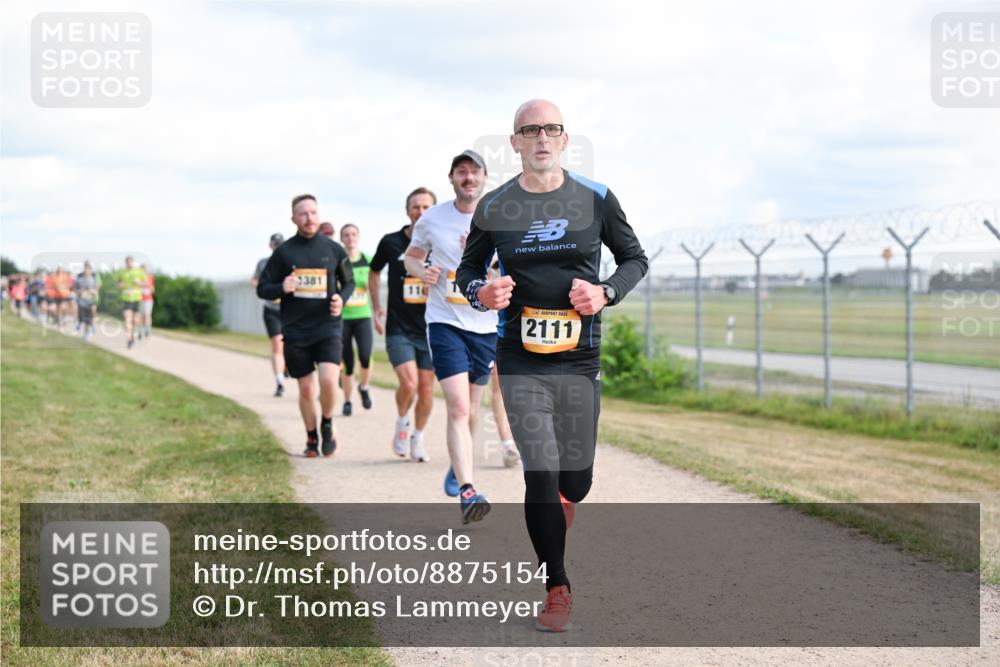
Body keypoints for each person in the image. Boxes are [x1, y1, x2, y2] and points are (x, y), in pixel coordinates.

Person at [457, 99, 648, 632]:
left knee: (575, 482)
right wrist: (482, 293)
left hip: (580, 358)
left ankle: (564, 499)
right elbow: (467, 272)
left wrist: (606, 292)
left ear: (564, 139)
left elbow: (635, 259)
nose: (541, 137)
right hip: (519, 358)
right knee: (539, 471)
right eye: (530, 130)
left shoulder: (596, 198)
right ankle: (556, 586)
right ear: (515, 142)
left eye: (551, 129)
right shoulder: (495, 205)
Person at [404, 150, 500, 524]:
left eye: (475, 172)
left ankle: (459, 469)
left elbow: (512, 268)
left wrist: (483, 260)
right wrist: (421, 271)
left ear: (484, 178)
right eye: (462, 172)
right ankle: (468, 491)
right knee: (458, 408)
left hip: (486, 326)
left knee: (472, 410)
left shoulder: (499, 217)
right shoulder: (433, 218)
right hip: (445, 322)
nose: (468, 178)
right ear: (451, 178)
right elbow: (412, 256)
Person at [256, 194, 354, 458]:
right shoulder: (284, 253)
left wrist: (341, 299)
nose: (309, 218)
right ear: (294, 219)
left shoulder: (333, 249)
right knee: (307, 388)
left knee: (329, 380)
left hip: (328, 326)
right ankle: (311, 437)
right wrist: (282, 287)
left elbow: (349, 282)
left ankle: (327, 423)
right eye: (303, 213)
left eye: (313, 212)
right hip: (296, 329)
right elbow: (263, 289)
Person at [369, 187, 437, 461]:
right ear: (407, 211)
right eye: (415, 207)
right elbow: (374, 272)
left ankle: (418, 438)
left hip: (432, 327)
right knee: (409, 384)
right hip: (399, 327)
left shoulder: (441, 241)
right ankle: (401, 422)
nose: (420, 211)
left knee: (426, 388)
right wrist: (376, 307)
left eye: (426, 207)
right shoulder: (391, 242)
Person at [338, 223, 374, 416]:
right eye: (346, 235)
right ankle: (347, 400)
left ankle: (364, 386)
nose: (350, 238)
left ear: (358, 237)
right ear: (341, 238)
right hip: (343, 317)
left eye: (353, 234)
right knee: (348, 362)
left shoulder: (368, 260)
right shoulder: (339, 260)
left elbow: (374, 284)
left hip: (363, 315)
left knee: (365, 356)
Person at [252, 233, 287, 397]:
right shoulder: (263, 263)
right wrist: (264, 287)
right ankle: (280, 382)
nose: (278, 247)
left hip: (289, 309)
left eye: (281, 244)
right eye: (276, 244)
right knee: (277, 344)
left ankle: (286, 367)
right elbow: (255, 280)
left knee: (291, 345)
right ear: (271, 246)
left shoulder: (291, 261)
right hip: (271, 309)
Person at [118, 257, 147, 348]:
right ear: (126, 263)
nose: (129, 264)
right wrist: (120, 285)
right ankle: (130, 339)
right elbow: (118, 284)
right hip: (126, 299)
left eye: (131, 262)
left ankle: (136, 333)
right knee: (127, 319)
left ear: (133, 263)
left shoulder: (139, 271)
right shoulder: (122, 272)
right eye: (127, 262)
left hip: (137, 299)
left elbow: (146, 283)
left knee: (135, 321)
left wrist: (139, 283)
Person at [75, 262, 99, 341]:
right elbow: (75, 290)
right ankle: (80, 325)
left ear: (91, 271)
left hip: (90, 302)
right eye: (86, 270)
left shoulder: (93, 280)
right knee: (83, 319)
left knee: (88, 319)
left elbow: (96, 291)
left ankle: (87, 333)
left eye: (89, 270)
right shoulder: (79, 280)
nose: (87, 271)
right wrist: (81, 292)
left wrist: (92, 292)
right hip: (81, 302)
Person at [139, 264, 155, 339]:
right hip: (140, 299)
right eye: (142, 269)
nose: (144, 270)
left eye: (145, 269)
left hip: (148, 299)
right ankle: (141, 331)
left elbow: (152, 288)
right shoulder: (138, 277)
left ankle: (147, 331)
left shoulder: (150, 277)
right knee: (141, 316)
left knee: (147, 315)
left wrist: (145, 284)